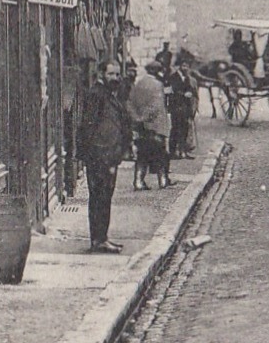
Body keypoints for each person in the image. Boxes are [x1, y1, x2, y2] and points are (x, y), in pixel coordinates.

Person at [77, 63, 129, 253]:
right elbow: (88, 128)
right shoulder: (96, 95)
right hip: (100, 157)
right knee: (100, 198)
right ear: (101, 74)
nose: (115, 77)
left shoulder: (109, 95)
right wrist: (94, 156)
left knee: (105, 198)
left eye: (117, 74)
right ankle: (98, 240)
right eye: (111, 74)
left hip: (108, 156)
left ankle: (102, 238)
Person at [128, 61, 172, 189]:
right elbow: (156, 106)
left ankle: (138, 181)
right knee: (160, 153)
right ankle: (162, 180)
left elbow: (130, 103)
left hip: (141, 127)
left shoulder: (138, 84)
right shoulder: (158, 85)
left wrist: (137, 118)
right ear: (157, 71)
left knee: (142, 154)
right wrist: (145, 117)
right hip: (155, 125)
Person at [165, 58, 197, 159]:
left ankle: (183, 150)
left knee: (185, 129)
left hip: (185, 107)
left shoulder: (186, 78)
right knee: (175, 129)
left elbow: (190, 89)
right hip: (176, 106)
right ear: (179, 66)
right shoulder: (173, 77)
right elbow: (173, 91)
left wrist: (191, 93)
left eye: (187, 66)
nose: (185, 68)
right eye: (183, 66)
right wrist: (184, 94)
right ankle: (172, 151)